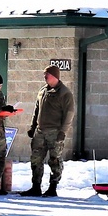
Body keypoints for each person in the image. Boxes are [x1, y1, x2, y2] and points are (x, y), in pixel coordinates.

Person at [19, 65, 75, 197]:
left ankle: (53, 187)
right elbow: (36, 110)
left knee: (55, 160)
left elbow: (69, 113)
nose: (45, 77)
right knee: (36, 159)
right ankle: (36, 186)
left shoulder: (64, 93)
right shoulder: (42, 91)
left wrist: (63, 132)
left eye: (47, 75)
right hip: (40, 131)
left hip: (55, 132)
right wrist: (33, 127)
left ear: (55, 76)